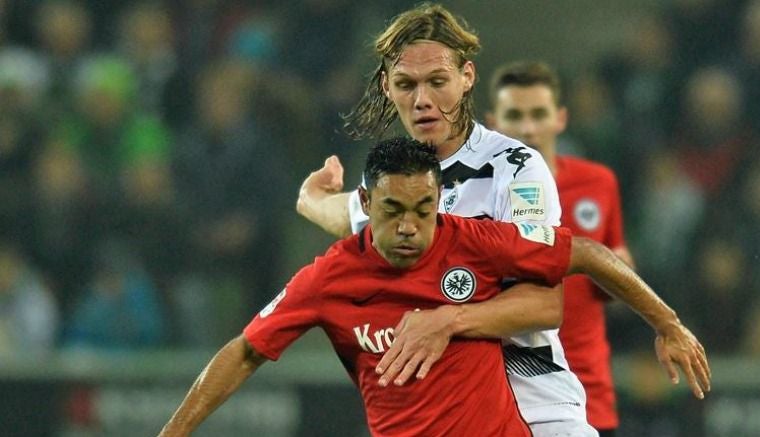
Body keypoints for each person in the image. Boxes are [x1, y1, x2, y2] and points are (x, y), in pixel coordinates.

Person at [295, 4, 709, 436]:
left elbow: (544, 304)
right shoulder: (392, 182)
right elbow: (344, 213)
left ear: (467, 76)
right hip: (438, 416)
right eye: (406, 84)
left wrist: (447, 320)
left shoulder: (513, 170)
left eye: (437, 82)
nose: (422, 101)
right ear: (387, 86)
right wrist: (309, 197)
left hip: (532, 405)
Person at [160, 138, 701, 437]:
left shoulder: (473, 241)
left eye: (424, 210)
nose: (410, 227)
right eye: (393, 211)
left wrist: (667, 322)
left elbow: (585, 253)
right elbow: (244, 352)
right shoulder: (330, 277)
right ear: (366, 206)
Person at [484, 60, 632, 436]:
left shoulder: (599, 183)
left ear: (560, 118)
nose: (528, 128)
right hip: (511, 388)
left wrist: (620, 271)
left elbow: (609, 278)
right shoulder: (479, 192)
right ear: (492, 123)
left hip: (588, 388)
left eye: (538, 114)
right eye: (514, 115)